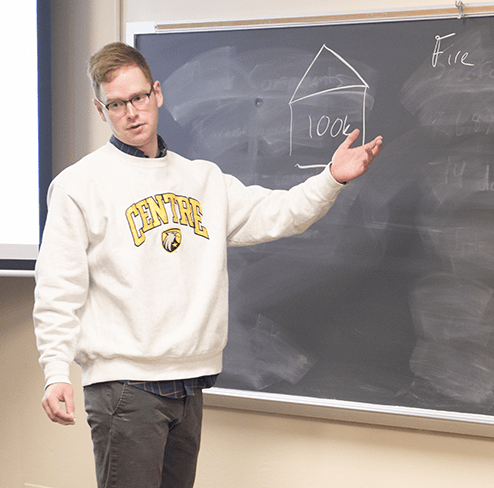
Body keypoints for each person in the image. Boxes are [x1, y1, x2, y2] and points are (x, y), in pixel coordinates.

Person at [33, 41, 383, 488]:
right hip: (125, 387)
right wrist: (54, 372)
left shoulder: (203, 180)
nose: (132, 113)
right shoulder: (78, 186)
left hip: (189, 382)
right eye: (117, 104)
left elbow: (279, 213)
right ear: (102, 111)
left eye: (139, 98)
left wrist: (331, 179)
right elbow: (57, 288)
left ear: (157, 93)